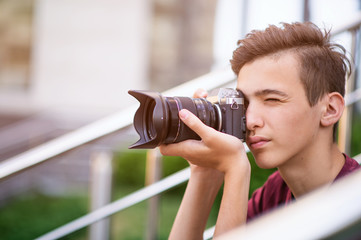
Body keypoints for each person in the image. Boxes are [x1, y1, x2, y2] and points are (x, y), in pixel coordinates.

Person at [159, 22, 361, 239]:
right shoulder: (274, 195)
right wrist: (204, 174)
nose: (250, 120)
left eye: (272, 99)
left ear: (330, 109)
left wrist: (236, 168)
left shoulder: (353, 205)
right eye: (244, 102)